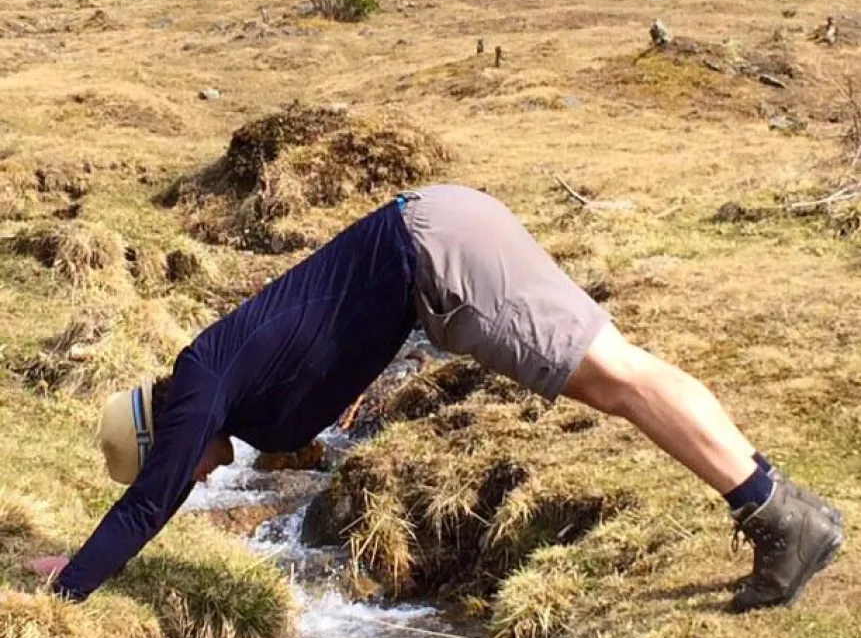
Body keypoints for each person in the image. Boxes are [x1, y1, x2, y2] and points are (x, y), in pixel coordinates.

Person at [29, 185, 843, 613]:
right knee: (616, 379)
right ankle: (776, 500)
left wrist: (64, 591)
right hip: (436, 246)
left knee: (620, 380)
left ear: (157, 432)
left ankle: (776, 514)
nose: (196, 478)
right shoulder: (224, 393)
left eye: (176, 464)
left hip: (438, 257)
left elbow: (148, 506)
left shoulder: (197, 388)